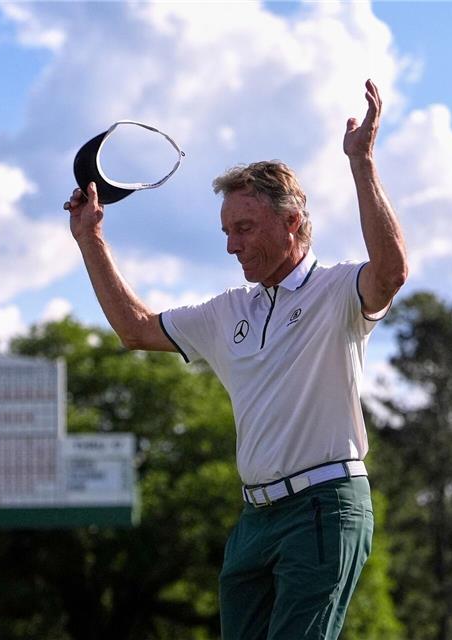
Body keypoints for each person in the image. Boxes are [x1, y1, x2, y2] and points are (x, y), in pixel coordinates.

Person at [64, 79, 407, 640]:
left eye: (244, 228)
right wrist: (89, 239)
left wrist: (362, 162)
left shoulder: (339, 290)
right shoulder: (229, 311)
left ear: (292, 222)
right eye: (226, 231)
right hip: (255, 519)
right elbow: (135, 329)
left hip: (325, 506)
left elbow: (391, 273)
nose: (231, 245)